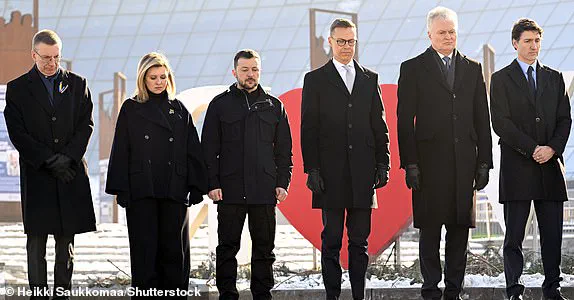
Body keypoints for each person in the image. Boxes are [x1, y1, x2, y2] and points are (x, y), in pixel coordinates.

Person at [397, 6, 492, 300]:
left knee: (459, 230)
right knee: (429, 231)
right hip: (427, 166)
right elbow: (403, 121)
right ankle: (430, 290)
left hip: (464, 165)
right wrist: (409, 163)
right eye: (442, 32)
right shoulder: (412, 68)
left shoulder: (472, 68)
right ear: (429, 34)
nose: (448, 37)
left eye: (452, 31)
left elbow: (482, 118)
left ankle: (453, 290)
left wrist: (484, 162)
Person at [105, 52, 207, 299]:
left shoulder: (179, 109)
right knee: (145, 252)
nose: (159, 82)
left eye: (163, 76)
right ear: (143, 79)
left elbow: (191, 148)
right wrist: (122, 189)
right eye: (153, 77)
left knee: (175, 254)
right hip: (142, 190)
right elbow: (121, 148)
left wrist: (196, 185)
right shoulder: (131, 108)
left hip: (174, 189)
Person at [301, 18, 390, 300]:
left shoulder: (369, 78)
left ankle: (358, 296)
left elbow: (380, 125)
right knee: (331, 240)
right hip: (330, 174)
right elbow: (308, 128)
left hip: (363, 173)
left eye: (351, 41)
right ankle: (332, 296)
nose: (346, 47)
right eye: (341, 41)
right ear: (330, 42)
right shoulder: (315, 80)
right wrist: (311, 169)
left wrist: (383, 164)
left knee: (360, 242)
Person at [3, 29, 96, 300]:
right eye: (45, 57)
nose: (51, 63)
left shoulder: (78, 85)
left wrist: (67, 158)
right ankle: (39, 294)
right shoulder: (18, 89)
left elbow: (86, 125)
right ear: (33, 55)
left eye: (56, 57)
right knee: (37, 241)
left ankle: (62, 293)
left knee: (66, 240)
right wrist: (47, 160)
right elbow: (17, 132)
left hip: (69, 172)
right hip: (38, 174)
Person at [490, 18, 572, 300]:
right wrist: (532, 148)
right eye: (527, 41)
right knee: (514, 236)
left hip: (550, 167)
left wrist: (551, 149)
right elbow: (500, 122)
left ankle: (552, 288)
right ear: (515, 43)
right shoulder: (501, 79)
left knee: (552, 236)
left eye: (537, 40)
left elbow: (565, 120)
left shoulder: (554, 77)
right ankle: (514, 289)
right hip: (517, 167)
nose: (533, 46)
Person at [201, 49, 293, 300]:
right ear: (234, 72)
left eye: (254, 69)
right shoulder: (220, 105)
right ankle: (227, 294)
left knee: (264, 249)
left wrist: (283, 183)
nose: (250, 75)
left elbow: (285, 152)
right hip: (229, 189)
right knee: (227, 248)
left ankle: (262, 295)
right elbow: (208, 149)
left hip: (264, 189)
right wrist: (212, 183)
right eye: (245, 70)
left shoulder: (275, 107)